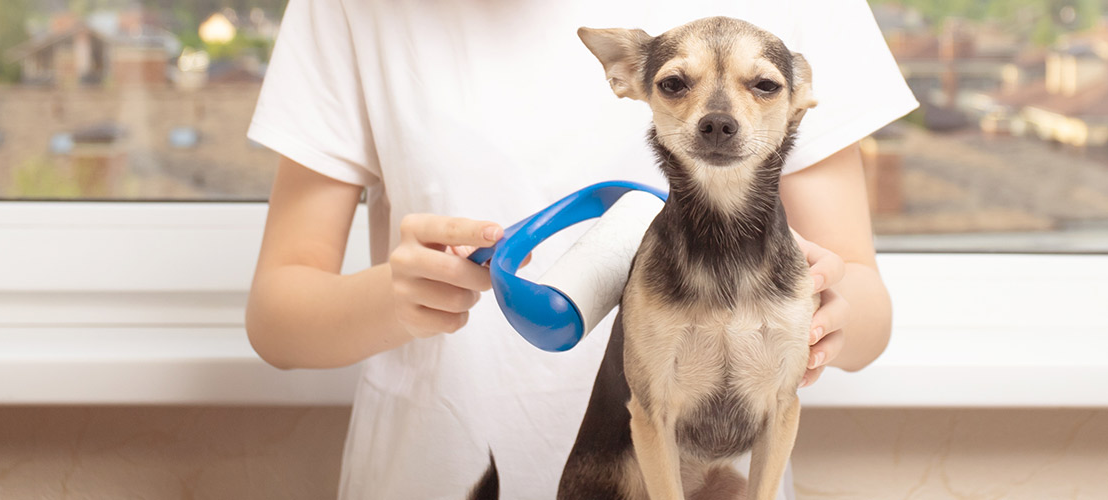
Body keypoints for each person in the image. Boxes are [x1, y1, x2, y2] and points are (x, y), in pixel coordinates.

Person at [243, 0, 917, 498]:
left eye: (761, 88)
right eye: (676, 86)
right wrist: (394, 298)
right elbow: (278, 321)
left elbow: (866, 306)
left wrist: (831, 313)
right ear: (630, 79)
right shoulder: (351, 12)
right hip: (435, 470)